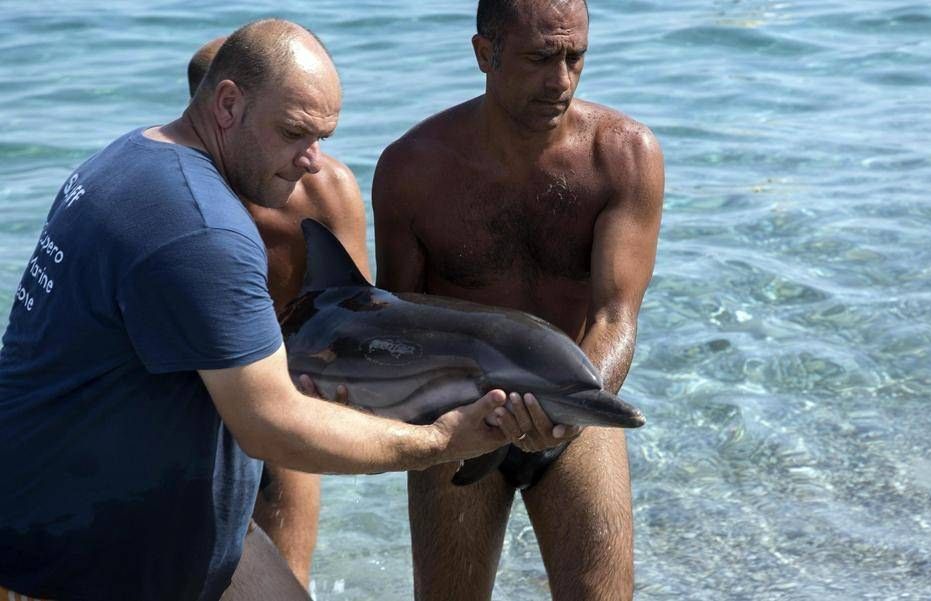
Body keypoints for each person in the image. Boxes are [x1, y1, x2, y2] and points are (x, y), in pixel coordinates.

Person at [0, 19, 575, 601]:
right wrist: (443, 442)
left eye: (323, 136)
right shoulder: (201, 228)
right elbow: (269, 422)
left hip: (158, 529)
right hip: (83, 554)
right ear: (227, 104)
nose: (312, 161)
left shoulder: (133, 154)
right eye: (295, 133)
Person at [372, 0, 664, 599]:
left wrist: (568, 411)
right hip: (454, 421)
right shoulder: (411, 170)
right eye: (538, 58)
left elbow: (615, 315)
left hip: (577, 397)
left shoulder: (624, 156)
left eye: (574, 56)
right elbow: (398, 325)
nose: (560, 81)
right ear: (485, 54)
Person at [188, 35, 371, 590]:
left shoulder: (325, 191)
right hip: (193, 410)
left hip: (288, 392)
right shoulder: (182, 203)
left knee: (287, 578)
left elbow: (358, 312)